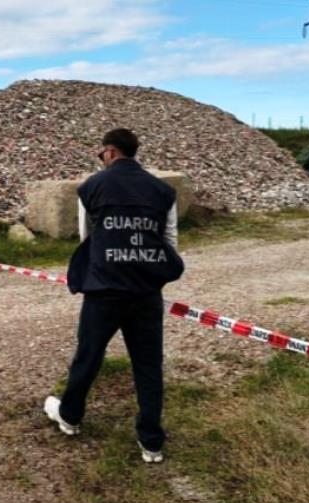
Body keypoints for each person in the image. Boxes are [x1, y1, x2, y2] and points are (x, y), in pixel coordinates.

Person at [44, 128, 182, 463]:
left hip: (104, 291)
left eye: (101, 153)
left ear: (110, 151)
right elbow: (170, 242)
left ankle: (70, 417)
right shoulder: (163, 190)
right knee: (148, 365)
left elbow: (87, 239)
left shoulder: (91, 186)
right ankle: (151, 442)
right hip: (145, 292)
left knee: (88, 356)